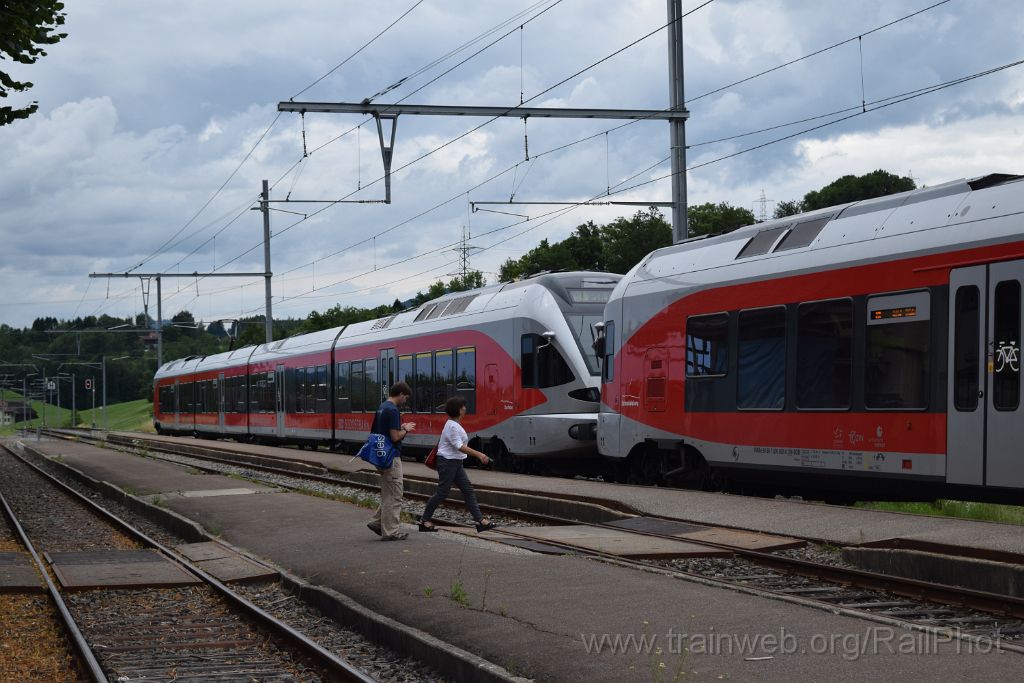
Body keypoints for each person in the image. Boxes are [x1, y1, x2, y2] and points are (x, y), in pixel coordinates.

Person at [418, 396, 497, 533]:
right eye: (463, 407)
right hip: (448, 462)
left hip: (455, 462)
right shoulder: (452, 426)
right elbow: (459, 446)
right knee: (442, 493)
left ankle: (480, 521)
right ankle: (424, 521)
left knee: (468, 490)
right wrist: (479, 454)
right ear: (459, 410)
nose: (465, 409)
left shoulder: (454, 424)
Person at [366, 382, 415, 541]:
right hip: (391, 457)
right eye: (405, 398)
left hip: (380, 455)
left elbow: (377, 432)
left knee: (388, 492)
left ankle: (377, 522)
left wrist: (400, 426)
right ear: (401, 394)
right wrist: (405, 429)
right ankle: (391, 532)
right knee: (395, 494)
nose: (405, 401)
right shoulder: (393, 410)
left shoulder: (382, 407)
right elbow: (395, 437)